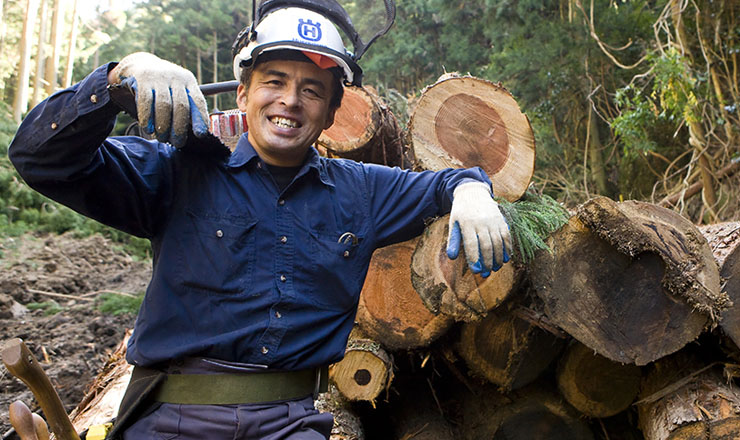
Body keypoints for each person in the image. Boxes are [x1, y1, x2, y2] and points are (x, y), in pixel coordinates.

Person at [8, 1, 511, 438]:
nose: (290, 100)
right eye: (274, 82)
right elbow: (40, 158)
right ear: (244, 93)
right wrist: (120, 78)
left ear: (333, 110)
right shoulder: (177, 170)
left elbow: (447, 183)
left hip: (291, 423)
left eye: (312, 90)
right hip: (170, 419)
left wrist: (471, 189)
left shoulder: (364, 191)